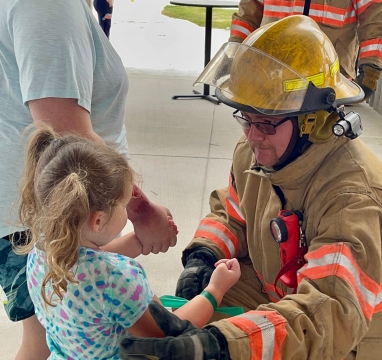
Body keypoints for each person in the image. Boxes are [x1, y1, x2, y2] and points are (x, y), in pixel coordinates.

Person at [119, 15, 382, 359]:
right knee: (183, 322)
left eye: (268, 122)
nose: (251, 134)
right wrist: (204, 255)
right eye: (245, 116)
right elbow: (231, 214)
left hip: (343, 336)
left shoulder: (352, 196)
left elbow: (326, 313)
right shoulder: (257, 152)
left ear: (312, 120)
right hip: (272, 292)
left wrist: (224, 346)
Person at [0, 0, 177, 359]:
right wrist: (140, 211)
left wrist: (132, 237)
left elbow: (93, 269)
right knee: (37, 346)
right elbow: (67, 133)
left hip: (49, 210)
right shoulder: (48, 7)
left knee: (42, 344)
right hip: (44, 213)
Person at [16, 125, 241, 359]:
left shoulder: (42, 250)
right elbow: (166, 337)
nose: (126, 211)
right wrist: (215, 290)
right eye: (123, 206)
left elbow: (92, 259)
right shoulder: (119, 279)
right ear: (98, 221)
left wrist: (138, 241)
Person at [228, 0, 382, 101]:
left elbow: (375, 23)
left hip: (326, 86)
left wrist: (371, 69)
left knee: (323, 144)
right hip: (269, 79)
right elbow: (248, 16)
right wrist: (234, 53)